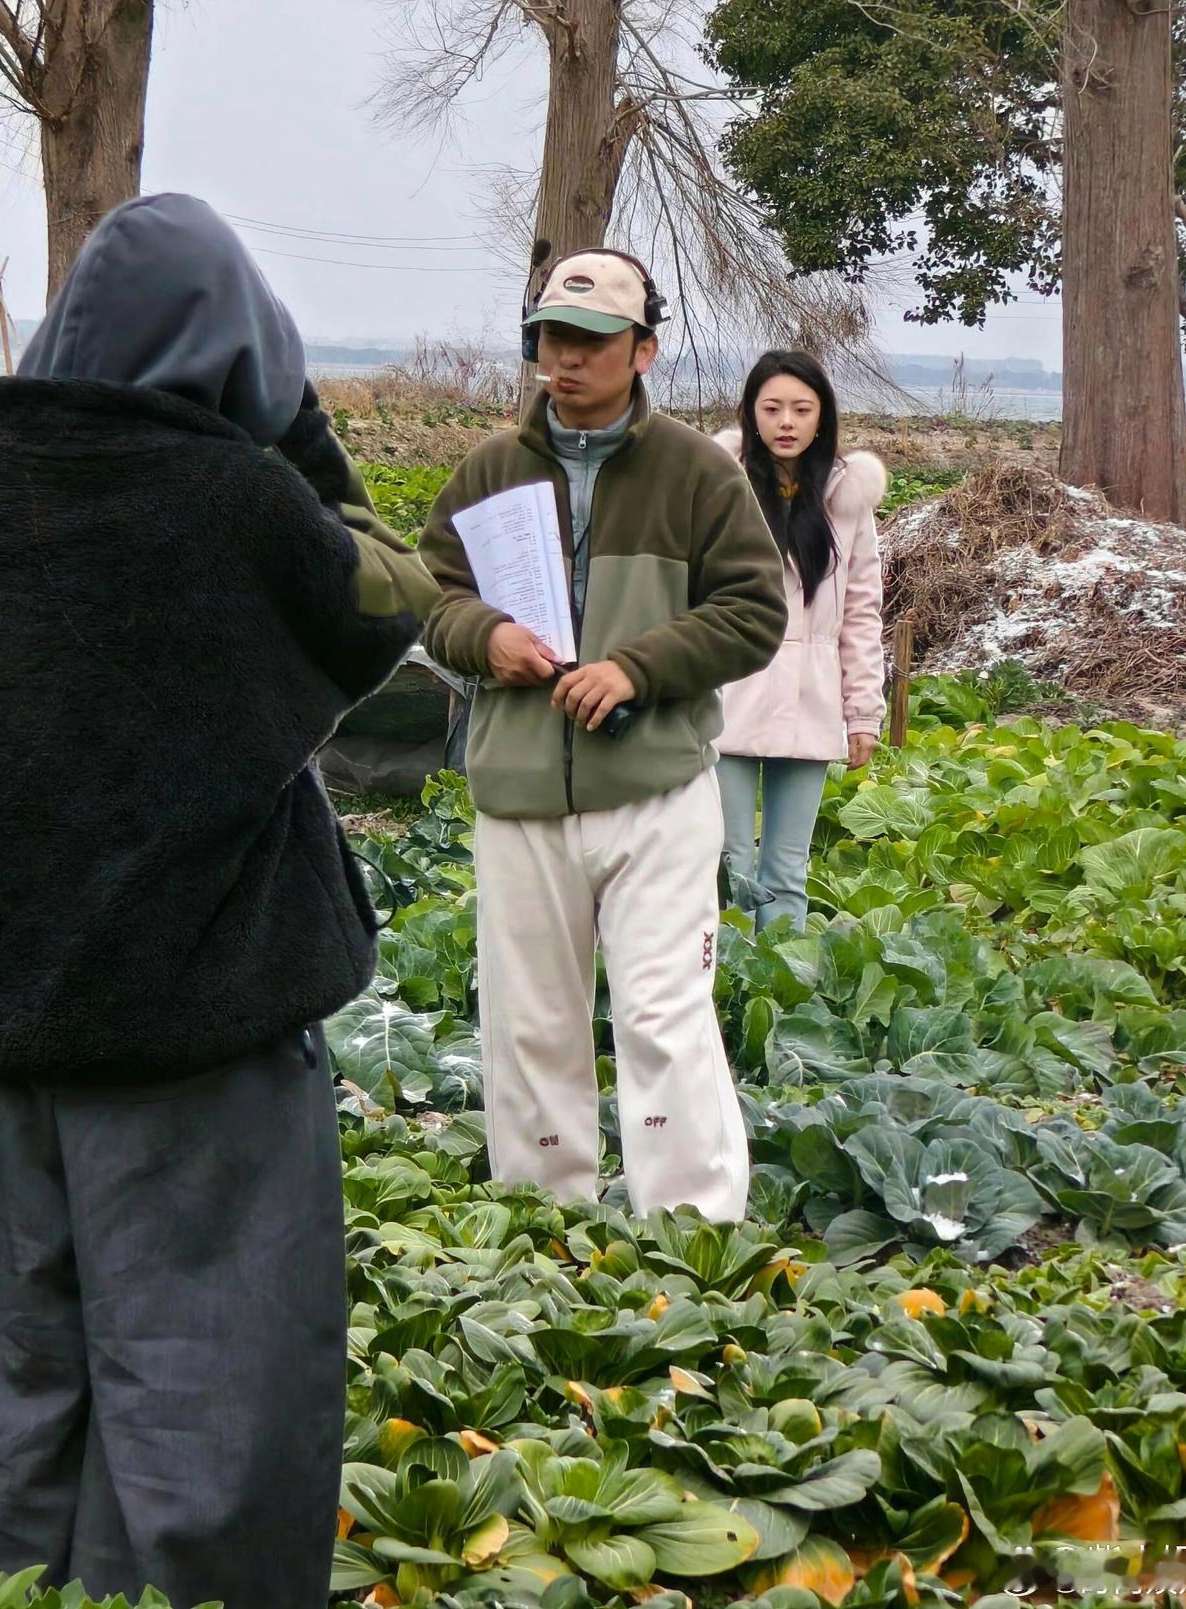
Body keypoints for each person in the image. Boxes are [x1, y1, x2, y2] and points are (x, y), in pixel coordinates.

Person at [0, 194, 439, 1609]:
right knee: (202, 1393)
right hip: (196, 1033)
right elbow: (385, 604)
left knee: (10, 1375)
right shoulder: (235, 501)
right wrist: (295, 431)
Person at [418, 249, 786, 1224]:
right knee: (530, 1020)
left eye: (589, 340)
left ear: (644, 350)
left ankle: (693, 1235)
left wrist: (639, 666)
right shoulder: (489, 470)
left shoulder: (699, 474)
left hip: (657, 791)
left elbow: (754, 610)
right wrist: (484, 636)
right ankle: (544, 1231)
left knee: (664, 1016)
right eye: (551, 338)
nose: (565, 359)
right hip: (521, 795)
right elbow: (433, 597)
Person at [714, 350, 887, 931]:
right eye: (772, 408)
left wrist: (862, 712)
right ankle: (723, 998)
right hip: (728, 693)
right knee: (727, 866)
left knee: (787, 872)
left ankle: (780, 998)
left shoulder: (846, 499)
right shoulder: (720, 486)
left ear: (822, 418)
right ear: (751, 414)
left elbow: (862, 612)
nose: (786, 422)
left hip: (810, 698)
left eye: (801, 409)